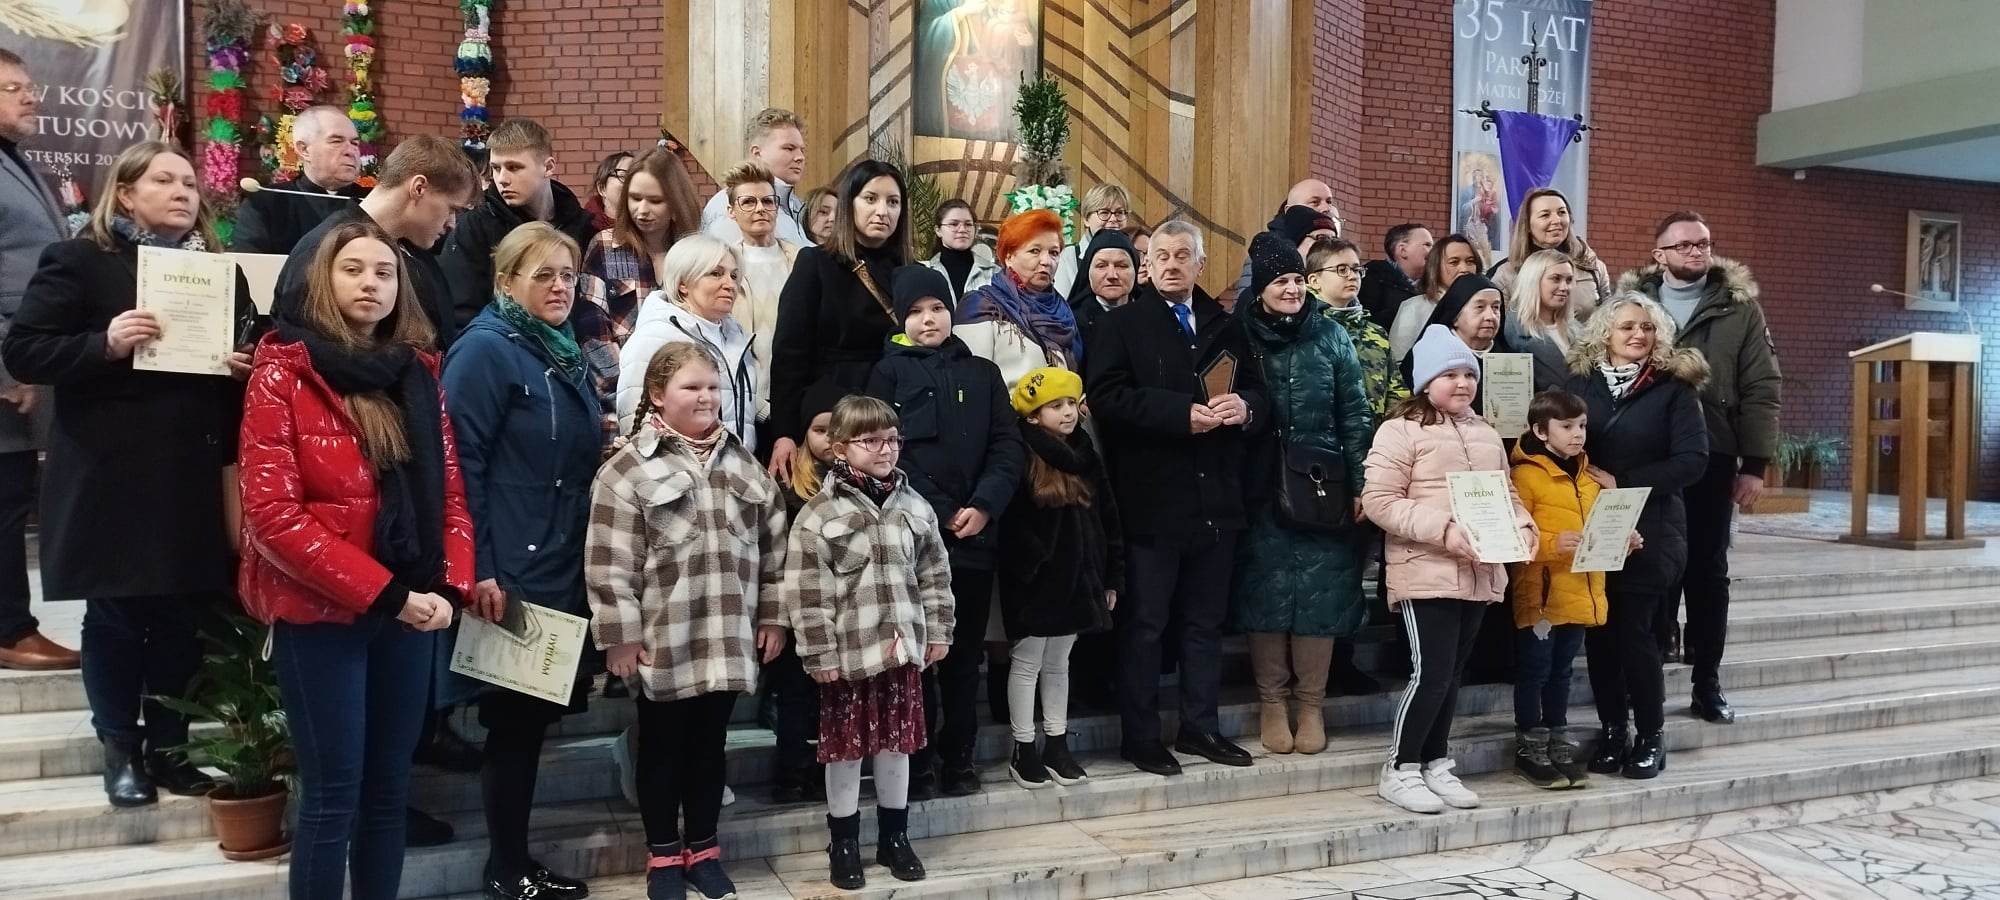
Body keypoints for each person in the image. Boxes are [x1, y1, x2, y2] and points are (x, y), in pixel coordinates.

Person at [3, 141, 254, 807]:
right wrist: (105, 344)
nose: (183, 192)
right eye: (165, 180)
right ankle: (119, 748)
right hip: (110, 473)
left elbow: (246, 354)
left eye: (190, 183)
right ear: (126, 191)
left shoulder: (218, 273)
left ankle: (171, 751)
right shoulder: (81, 261)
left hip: (189, 472)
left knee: (181, 617)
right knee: (117, 613)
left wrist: (242, 368)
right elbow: (25, 350)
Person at [236, 218, 471, 900]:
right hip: (321, 614)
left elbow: (451, 494)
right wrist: (389, 594)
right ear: (321, 280)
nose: (371, 283)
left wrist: (449, 588)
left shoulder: (417, 372)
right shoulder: (281, 373)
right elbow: (274, 517)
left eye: (384, 272)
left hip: (409, 609)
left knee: (388, 789)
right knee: (333, 794)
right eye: (353, 269)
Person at [588, 342, 786, 900]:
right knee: (661, 747)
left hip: (728, 633)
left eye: (713, 387)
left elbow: (774, 548)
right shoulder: (627, 469)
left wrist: (773, 617)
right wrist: (619, 636)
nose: (706, 397)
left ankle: (703, 849)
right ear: (657, 395)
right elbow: (609, 560)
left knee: (710, 745)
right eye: (691, 387)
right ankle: (663, 857)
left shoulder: (742, 462)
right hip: (663, 637)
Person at [440, 222, 602, 900]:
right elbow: (460, 465)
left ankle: (517, 860)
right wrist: (479, 567)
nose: (560, 287)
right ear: (506, 283)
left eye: (568, 274)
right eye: (543, 275)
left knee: (530, 722)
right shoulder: (486, 350)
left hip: (557, 557)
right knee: (513, 722)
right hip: (510, 565)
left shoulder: (559, 348)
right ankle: (506, 866)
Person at [1085, 219, 1268, 776]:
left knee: (1204, 624)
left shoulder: (1226, 324)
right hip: (1152, 500)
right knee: (1145, 626)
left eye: (1182, 255)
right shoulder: (1122, 324)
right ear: (1147, 266)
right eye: (1161, 255)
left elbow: (1260, 391)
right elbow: (1107, 398)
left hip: (1216, 499)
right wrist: (1176, 415)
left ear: (1199, 264)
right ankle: (1140, 736)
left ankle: (1200, 726)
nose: (1170, 263)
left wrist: (1247, 409)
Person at [866, 264, 1025, 796]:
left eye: (936, 308)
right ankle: (918, 760)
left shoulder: (982, 373)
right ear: (900, 319)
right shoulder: (887, 374)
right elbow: (886, 452)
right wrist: (938, 510)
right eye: (914, 312)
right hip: (914, 538)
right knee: (916, 654)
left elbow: (1006, 445)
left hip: (975, 537)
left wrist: (983, 505)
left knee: (963, 653)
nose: (928, 319)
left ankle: (960, 757)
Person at [781, 395, 952, 890]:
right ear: (839, 448)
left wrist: (939, 630)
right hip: (849, 656)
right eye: (871, 440)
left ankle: (895, 836)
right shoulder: (818, 514)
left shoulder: (915, 506)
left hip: (901, 651)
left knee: (897, 748)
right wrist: (819, 653)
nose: (886, 449)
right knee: (846, 752)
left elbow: (935, 574)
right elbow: (806, 592)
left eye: (892, 439)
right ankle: (844, 841)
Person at [1364, 324, 1536, 814]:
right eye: (1450, 375)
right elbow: (1379, 501)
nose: (1462, 383)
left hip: (1479, 571)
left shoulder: (1485, 432)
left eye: (1469, 374)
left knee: (1452, 673)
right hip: (1426, 569)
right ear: (1426, 381)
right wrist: (1444, 530)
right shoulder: (1400, 430)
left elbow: (1507, 494)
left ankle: (1434, 761)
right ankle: (1400, 768)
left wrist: (1523, 527)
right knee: (1431, 673)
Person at [1620, 210, 1782, 724]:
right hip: (1648, 456)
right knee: (1651, 568)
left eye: (1703, 243)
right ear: (1659, 254)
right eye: (1684, 245)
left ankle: (1707, 682)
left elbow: (1762, 386)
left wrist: (1755, 464)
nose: (1696, 252)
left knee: (1707, 571)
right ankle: (1646, 680)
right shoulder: (1631, 305)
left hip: (1713, 452)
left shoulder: (1739, 308)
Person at [1231, 233, 1373, 756]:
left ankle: (1311, 704)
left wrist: (1359, 483)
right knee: (1264, 593)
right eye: (1280, 281)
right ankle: (1272, 701)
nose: (1291, 289)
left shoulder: (1331, 336)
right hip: (1260, 485)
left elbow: (1355, 413)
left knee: (1322, 593)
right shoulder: (1238, 333)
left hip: (1322, 485)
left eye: (1296, 279)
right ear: (1260, 288)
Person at [1563, 293, 1709, 781]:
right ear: (1605, 331)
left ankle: (1651, 736)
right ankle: (1612, 732)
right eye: (1627, 326)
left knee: (1636, 635)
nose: (1638, 335)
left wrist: (1623, 482)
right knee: (1601, 636)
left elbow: (1693, 461)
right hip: (1594, 524)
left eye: (1647, 327)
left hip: (1653, 526)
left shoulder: (1673, 389)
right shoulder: (1580, 384)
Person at [997, 366, 1119, 787]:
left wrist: (1110, 576)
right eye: (1055, 406)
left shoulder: (1086, 453)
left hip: (1080, 579)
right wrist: (1033, 565)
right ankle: (1023, 747)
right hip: (1037, 583)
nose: (1067, 413)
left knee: (1059, 664)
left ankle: (1057, 742)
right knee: (1027, 662)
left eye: (1071, 403)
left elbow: (1108, 518)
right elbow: (1013, 522)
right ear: (1034, 416)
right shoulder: (1021, 453)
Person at [0, 47, 76, 672]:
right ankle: (9, 630)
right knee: (5, 499)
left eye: (29, 85)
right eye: (11, 88)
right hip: (6, 365)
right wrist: (6, 368)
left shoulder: (13, 159)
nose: (30, 96)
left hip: (25, 356)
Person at [1508, 389, 1625, 790]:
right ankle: (1529, 748)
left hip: (1580, 589)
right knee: (1535, 670)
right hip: (1541, 594)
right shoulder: (1525, 476)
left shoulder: (1590, 477)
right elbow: (1511, 536)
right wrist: (1551, 544)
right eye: (1567, 426)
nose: (1578, 434)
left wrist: (1623, 538)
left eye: (1582, 426)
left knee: (1561, 672)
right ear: (1541, 431)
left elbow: (1600, 529)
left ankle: (1557, 744)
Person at [767, 158, 911, 480]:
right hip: (832, 413)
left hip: (895, 415)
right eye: (870, 198)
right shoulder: (816, 263)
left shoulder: (910, 272)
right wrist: (785, 432)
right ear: (849, 203)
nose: (882, 211)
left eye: (893, 202)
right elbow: (790, 354)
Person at [276, 134, 481, 352]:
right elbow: (311, 352)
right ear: (419, 188)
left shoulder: (410, 244)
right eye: (452, 209)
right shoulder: (324, 248)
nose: (452, 224)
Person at [767, 380, 846, 804]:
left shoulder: (854, 482)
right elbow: (773, 554)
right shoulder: (785, 485)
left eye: (837, 430)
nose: (829, 439)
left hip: (841, 609)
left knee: (832, 693)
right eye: (819, 430)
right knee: (795, 694)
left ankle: (826, 768)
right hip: (797, 608)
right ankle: (791, 772)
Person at [440, 118, 598, 329]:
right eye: (496, 168)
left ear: (548, 167)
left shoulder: (582, 226)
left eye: (514, 167)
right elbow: (462, 312)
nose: (502, 179)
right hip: (499, 342)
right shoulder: (475, 226)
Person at [618, 234, 757, 453]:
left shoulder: (737, 337)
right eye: (716, 273)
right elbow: (634, 418)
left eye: (734, 275)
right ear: (683, 283)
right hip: (674, 467)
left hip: (733, 466)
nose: (730, 284)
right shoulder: (655, 336)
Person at [580, 146, 704, 343]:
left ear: (677, 202)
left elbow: (710, 326)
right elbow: (591, 328)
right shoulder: (604, 245)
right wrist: (625, 365)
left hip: (687, 360)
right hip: (621, 361)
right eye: (635, 198)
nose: (642, 209)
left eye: (655, 201)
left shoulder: (697, 253)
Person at [956, 208, 1084, 389]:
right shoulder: (982, 306)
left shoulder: (1063, 311)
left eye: (1054, 253)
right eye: (1034, 251)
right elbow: (971, 385)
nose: (1046, 261)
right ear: (1009, 257)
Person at [721, 160, 802, 428]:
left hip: (797, 399)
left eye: (768, 201)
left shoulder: (802, 261)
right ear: (731, 211)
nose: (760, 208)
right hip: (744, 404)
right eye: (748, 202)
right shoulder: (721, 267)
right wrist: (757, 406)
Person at [234, 105, 367, 254]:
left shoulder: (374, 202)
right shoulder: (265, 203)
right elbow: (250, 262)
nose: (351, 151)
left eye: (355, 143)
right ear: (304, 150)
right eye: (336, 141)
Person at [1307, 237, 1408, 420]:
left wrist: (1387, 430)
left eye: (1356, 269)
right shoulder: (1303, 328)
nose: (1352, 276)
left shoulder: (1375, 332)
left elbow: (1397, 392)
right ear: (1314, 280)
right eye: (1342, 269)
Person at [1489, 187, 1611, 319]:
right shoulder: (1506, 274)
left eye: (1562, 212)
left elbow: (1608, 319)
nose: (1557, 220)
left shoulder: (1591, 265)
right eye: (1545, 215)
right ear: (1528, 225)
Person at [701, 107, 811, 245]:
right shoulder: (732, 202)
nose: (800, 157)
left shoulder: (795, 204)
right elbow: (727, 257)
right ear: (757, 153)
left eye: (802, 150)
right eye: (789, 148)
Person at [1230, 179, 1341, 298]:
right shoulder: (1266, 251)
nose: (1326, 208)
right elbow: (1247, 303)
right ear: (1289, 210)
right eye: (1315, 202)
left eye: (1329, 201)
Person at [1388, 234, 1483, 363]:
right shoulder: (1413, 308)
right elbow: (1398, 361)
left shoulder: (1489, 306)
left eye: (1470, 261)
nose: (1464, 269)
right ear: (1436, 268)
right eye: (1454, 262)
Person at [1502, 248, 1581, 391]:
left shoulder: (1578, 330)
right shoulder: (1513, 331)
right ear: (1533, 280)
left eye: (1569, 280)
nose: (1564, 287)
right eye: (1556, 279)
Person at [1051, 182, 1133, 297]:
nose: (1113, 219)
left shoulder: (1134, 254)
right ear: (1086, 219)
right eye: (1104, 212)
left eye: (1120, 213)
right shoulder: (1068, 257)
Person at [1066, 226, 1141, 350]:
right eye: (1101, 266)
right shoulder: (1070, 323)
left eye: (1122, 266)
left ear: (1135, 270)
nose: (1112, 275)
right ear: (1088, 272)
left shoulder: (1152, 317)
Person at [923, 199, 998, 302]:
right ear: (938, 230)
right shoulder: (925, 272)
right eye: (954, 224)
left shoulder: (994, 272)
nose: (962, 229)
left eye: (968, 224)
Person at [1358, 224, 1431, 329]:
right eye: (1427, 245)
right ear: (1403, 250)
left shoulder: (1433, 286)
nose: (1433, 252)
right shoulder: (1370, 281)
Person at [583, 150, 634, 232]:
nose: (633, 182)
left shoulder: (649, 229)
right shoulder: (584, 229)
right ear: (602, 188)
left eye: (636, 176)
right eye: (623, 176)